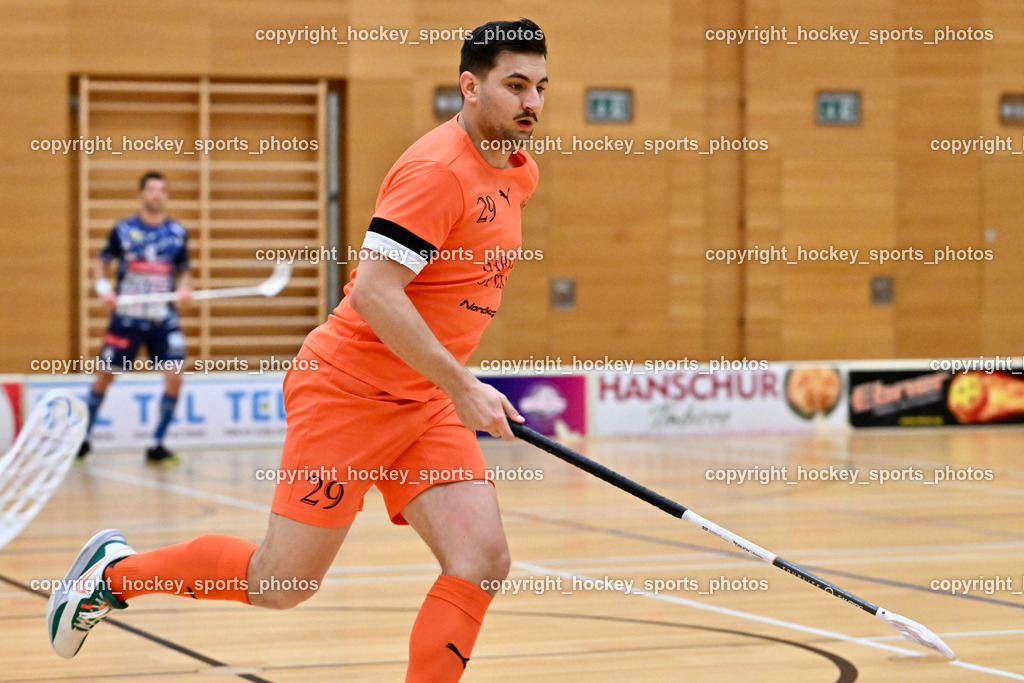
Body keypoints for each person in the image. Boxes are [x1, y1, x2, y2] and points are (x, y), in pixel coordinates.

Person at [48, 18, 547, 682]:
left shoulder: (519, 172)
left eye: (541, 86)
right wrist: (462, 385)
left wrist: (447, 386)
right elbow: (374, 290)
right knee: (282, 581)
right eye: (515, 85)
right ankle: (114, 576)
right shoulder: (435, 171)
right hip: (347, 390)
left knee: (481, 558)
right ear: (470, 86)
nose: (532, 103)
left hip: (422, 400)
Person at [78, 171, 193, 464]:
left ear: (166, 196)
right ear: (141, 194)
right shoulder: (124, 229)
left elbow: (183, 270)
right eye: (151, 190)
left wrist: (183, 289)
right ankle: (81, 440)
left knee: (175, 376)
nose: (156, 195)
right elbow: (101, 264)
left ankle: (157, 444)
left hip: (162, 318)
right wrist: (104, 289)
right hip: (127, 318)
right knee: (105, 376)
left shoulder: (177, 233)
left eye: (162, 191)